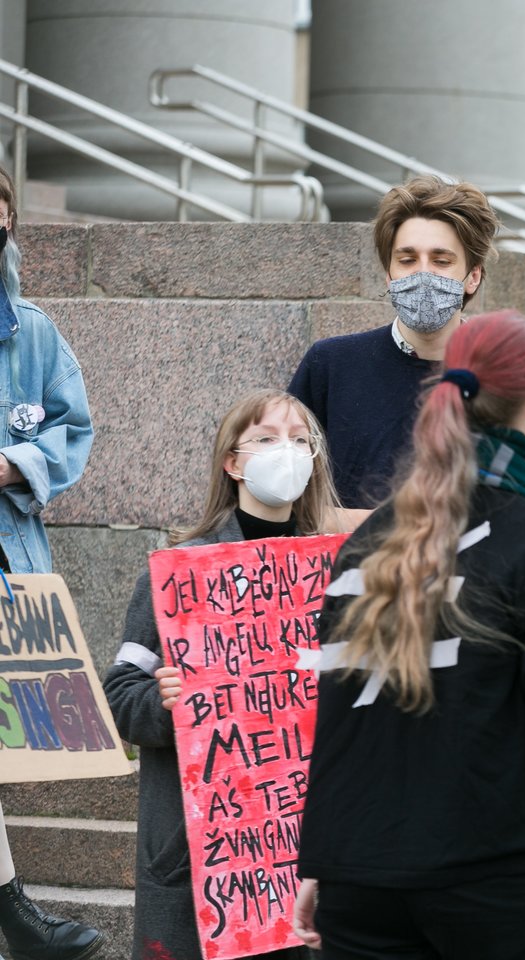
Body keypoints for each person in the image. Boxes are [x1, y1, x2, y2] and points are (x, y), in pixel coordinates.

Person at [293, 310, 525, 960]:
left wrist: (323, 861)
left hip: (359, 876)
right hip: (504, 874)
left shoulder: (366, 543)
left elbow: (339, 715)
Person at [103, 389, 356, 960]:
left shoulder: (340, 571)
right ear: (233, 462)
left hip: (312, 842)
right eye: (267, 439)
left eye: (299, 440)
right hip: (207, 854)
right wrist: (162, 703)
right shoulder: (180, 571)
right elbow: (120, 691)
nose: (285, 451)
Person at [0, 165, 104, 960]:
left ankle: (16, 916)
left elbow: (70, 430)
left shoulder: (30, 330)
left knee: (16, 738)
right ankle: (16, 916)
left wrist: (12, 464)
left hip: (8, 562)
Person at [288, 175, 500, 507]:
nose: (423, 273)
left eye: (441, 261)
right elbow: (289, 492)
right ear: (388, 274)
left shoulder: (503, 378)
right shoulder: (331, 365)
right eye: (407, 259)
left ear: (473, 276)